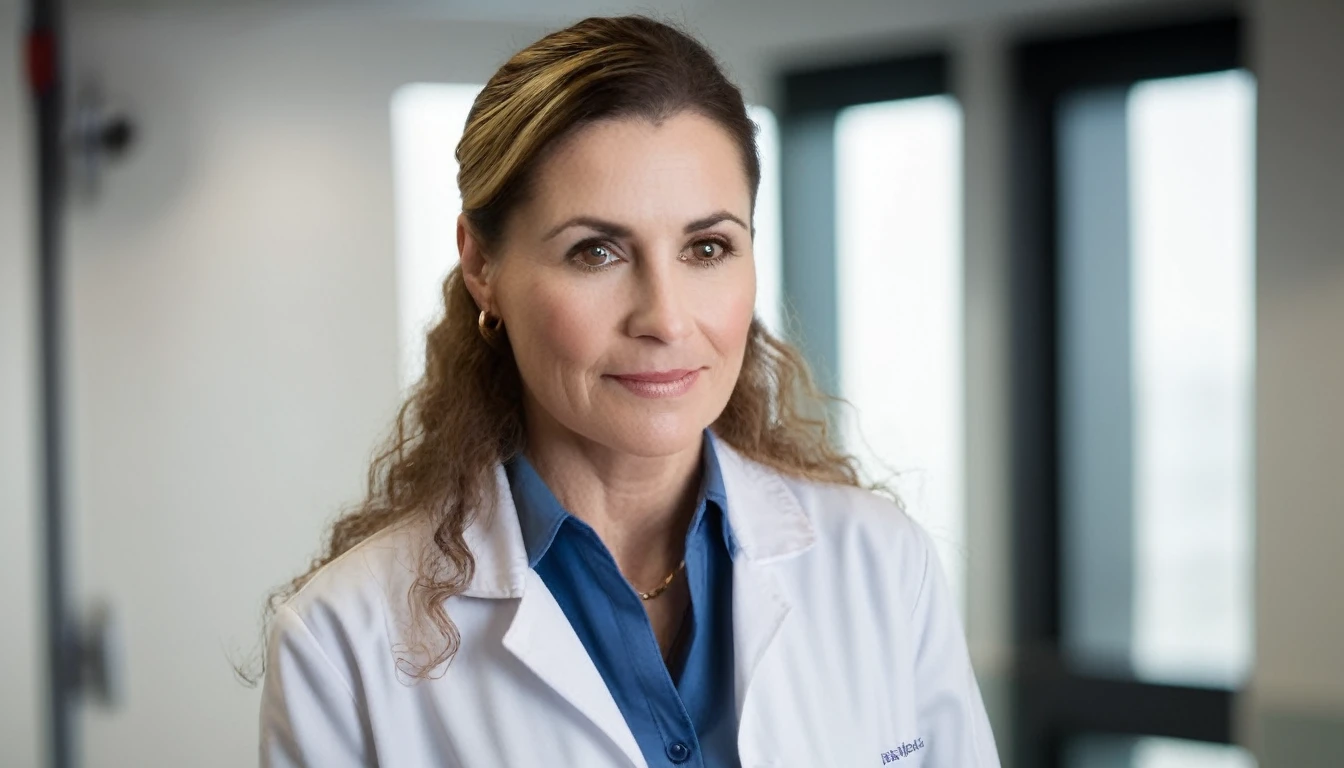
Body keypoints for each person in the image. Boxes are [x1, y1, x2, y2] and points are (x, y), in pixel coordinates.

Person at [258, 14, 1000, 768]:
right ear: (482, 265)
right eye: (597, 251)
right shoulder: (340, 642)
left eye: (706, 247)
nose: (667, 319)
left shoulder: (881, 563)